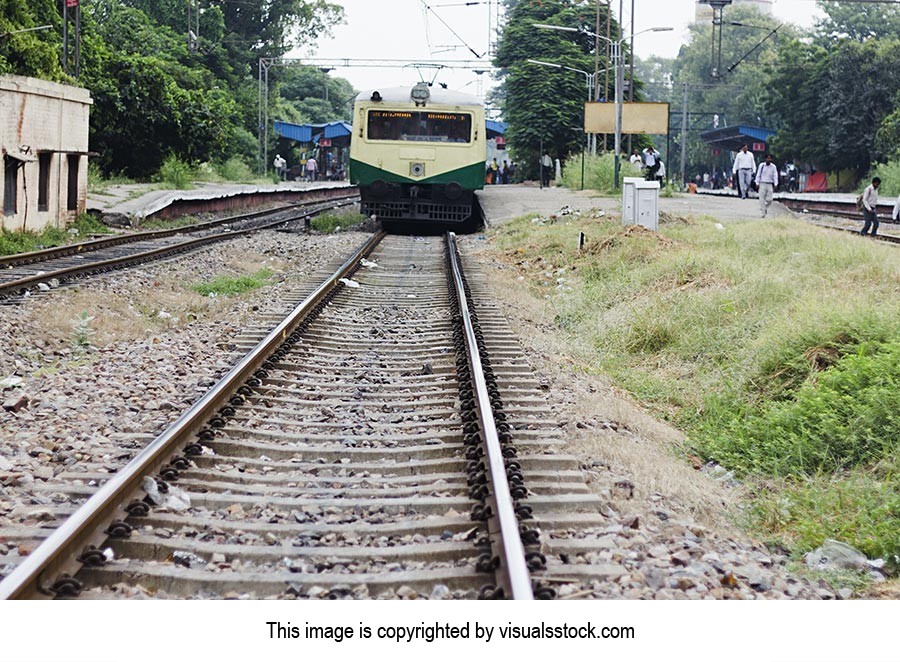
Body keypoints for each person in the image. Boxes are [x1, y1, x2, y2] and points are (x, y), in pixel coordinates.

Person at [756, 153, 779, 218]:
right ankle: (763, 213)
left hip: (769, 184)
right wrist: (757, 183)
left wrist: (775, 184)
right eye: (767, 158)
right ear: (765, 159)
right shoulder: (762, 165)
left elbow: (775, 175)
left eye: (770, 158)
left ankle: (765, 208)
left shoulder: (773, 167)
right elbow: (758, 174)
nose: (769, 160)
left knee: (770, 199)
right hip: (762, 183)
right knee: (761, 198)